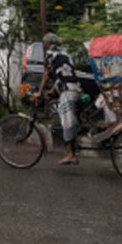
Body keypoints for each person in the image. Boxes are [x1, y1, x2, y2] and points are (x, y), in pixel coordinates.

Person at [33, 32, 86, 165]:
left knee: (67, 122)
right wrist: (51, 92)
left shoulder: (50, 55)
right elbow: (61, 76)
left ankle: (71, 154)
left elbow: (46, 75)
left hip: (68, 93)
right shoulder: (65, 55)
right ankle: (75, 142)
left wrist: (39, 92)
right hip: (76, 89)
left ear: (47, 44)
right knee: (73, 119)